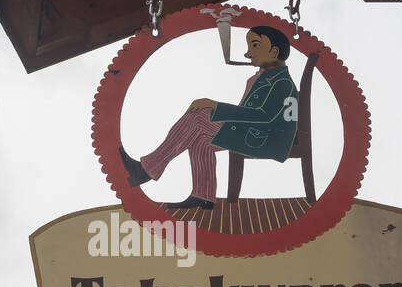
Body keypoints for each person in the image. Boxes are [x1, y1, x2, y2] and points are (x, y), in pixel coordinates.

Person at [118, 26, 300, 210]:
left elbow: (264, 116)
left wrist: (215, 105)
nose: (247, 54)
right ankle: (203, 196)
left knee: (199, 117)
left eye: (254, 45)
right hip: (256, 134)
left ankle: (147, 169)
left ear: (274, 51)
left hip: (263, 140)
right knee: (201, 140)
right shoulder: (270, 77)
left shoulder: (282, 82)